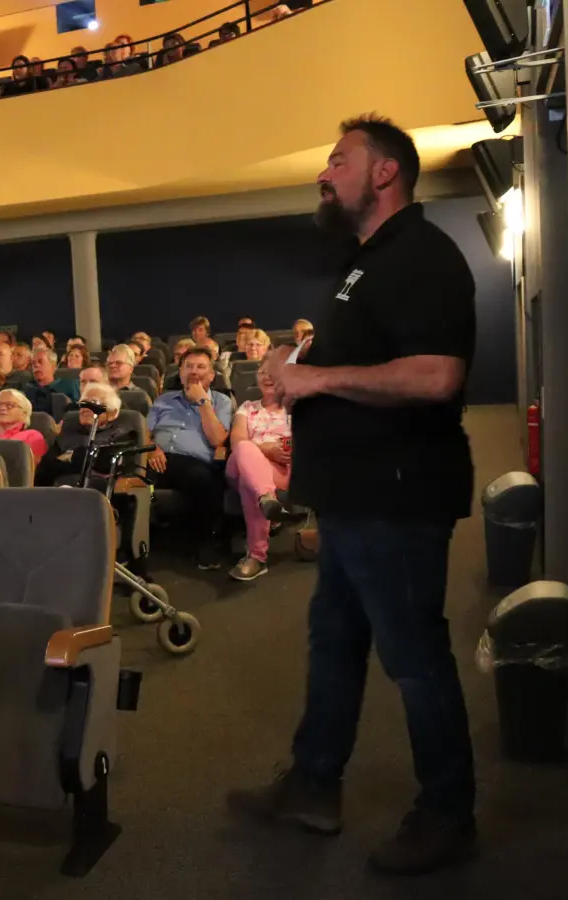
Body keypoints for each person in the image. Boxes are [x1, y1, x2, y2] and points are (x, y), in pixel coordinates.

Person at [228, 115, 479, 875]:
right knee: (333, 643)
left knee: (415, 657)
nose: (322, 173)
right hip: (353, 498)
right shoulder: (364, 264)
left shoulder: (424, 256)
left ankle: (447, 814)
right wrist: (290, 360)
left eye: (338, 159)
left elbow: (437, 375)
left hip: (396, 498)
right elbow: (343, 359)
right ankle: (314, 783)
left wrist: (317, 378)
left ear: (384, 174)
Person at [147, 347, 234, 569]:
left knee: (204, 480)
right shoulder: (163, 400)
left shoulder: (221, 401)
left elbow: (217, 440)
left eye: (201, 367)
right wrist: (151, 449)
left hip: (193, 464)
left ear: (212, 375)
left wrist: (203, 402)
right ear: (180, 371)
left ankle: (208, 543)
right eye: (189, 366)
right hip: (156, 459)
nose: (194, 371)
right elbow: (145, 433)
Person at [224, 365, 295, 581]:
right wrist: (264, 449)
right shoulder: (247, 407)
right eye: (263, 372)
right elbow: (237, 440)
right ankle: (266, 500)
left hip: (282, 471)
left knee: (250, 482)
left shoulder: (296, 408)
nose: (267, 376)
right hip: (241, 464)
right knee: (245, 449)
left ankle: (256, 556)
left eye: (273, 371)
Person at [35, 383, 140, 488]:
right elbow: (45, 467)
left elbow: (104, 467)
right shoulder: (69, 429)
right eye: (83, 403)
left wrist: (69, 457)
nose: (85, 408)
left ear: (112, 413)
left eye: (93, 403)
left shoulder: (123, 435)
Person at [0, 388, 48, 462]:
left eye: (10, 405)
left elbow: (27, 469)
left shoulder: (32, 436)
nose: (2, 408)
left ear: (24, 413)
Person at [22, 348, 80, 414]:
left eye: (40, 362)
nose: (36, 365)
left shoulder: (69, 385)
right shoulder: (27, 388)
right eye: (33, 363)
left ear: (53, 366)